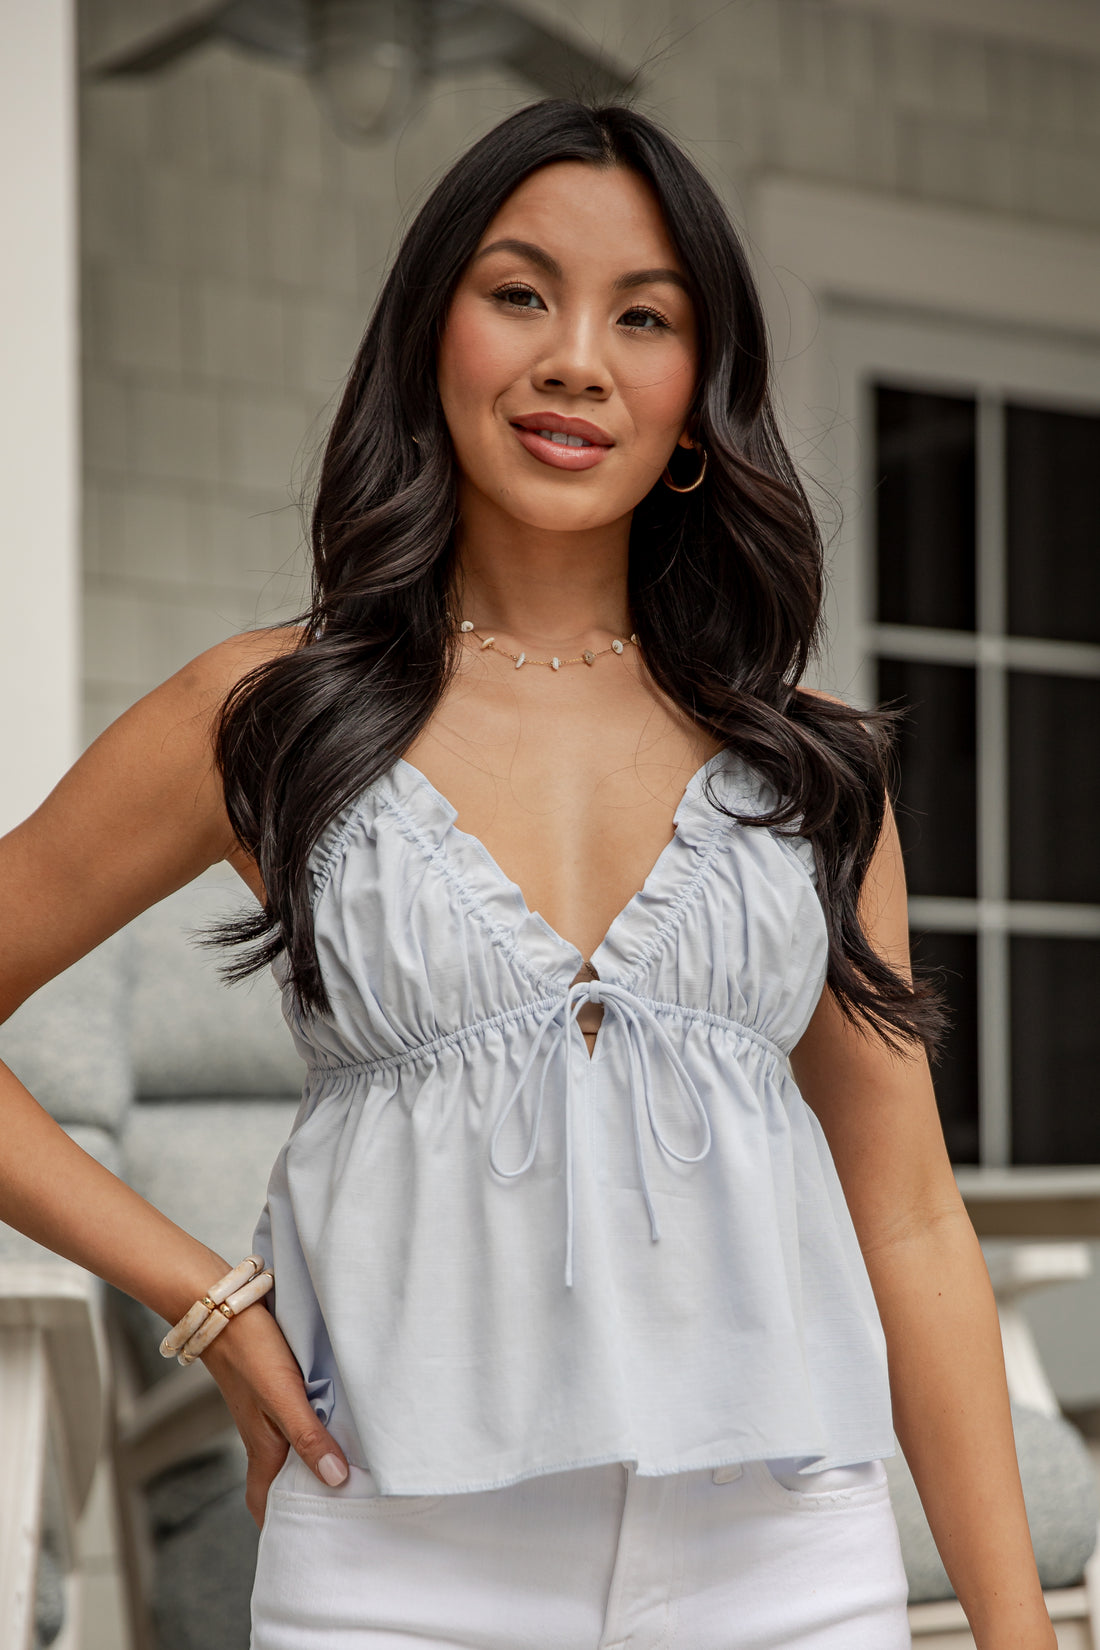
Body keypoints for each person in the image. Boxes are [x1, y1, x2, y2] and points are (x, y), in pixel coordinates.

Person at [0, 99, 1056, 1650]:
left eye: (646, 317)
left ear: (700, 397)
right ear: (434, 335)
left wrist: (1018, 1635)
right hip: (395, 1556)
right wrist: (210, 1302)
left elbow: (906, 1217)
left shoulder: (814, 766)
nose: (577, 357)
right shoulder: (270, 713)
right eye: (521, 294)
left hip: (782, 1557)